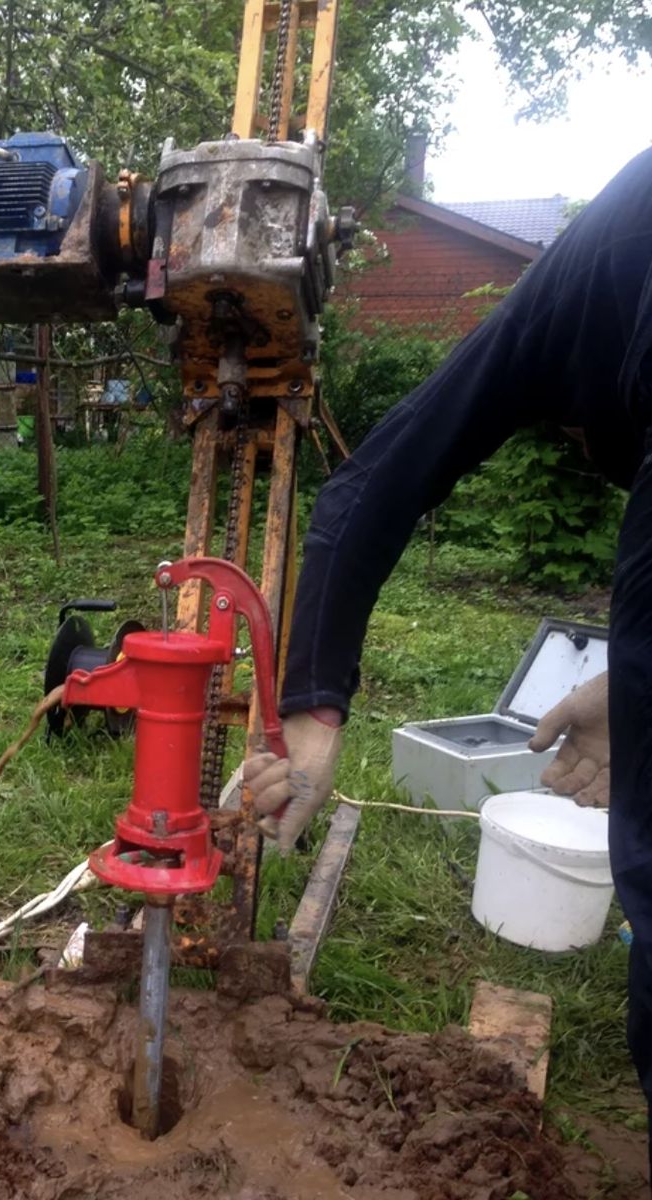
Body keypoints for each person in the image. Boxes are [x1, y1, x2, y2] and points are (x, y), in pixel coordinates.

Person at [244, 146, 652, 1156]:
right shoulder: (580, 296)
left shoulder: (566, 306)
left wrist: (308, 726)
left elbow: (360, 495)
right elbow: (360, 501)